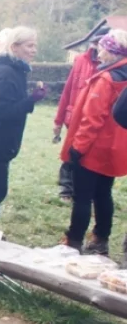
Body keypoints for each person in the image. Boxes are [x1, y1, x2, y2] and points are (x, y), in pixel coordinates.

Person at [60, 30, 127, 255]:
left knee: (82, 197)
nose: (99, 51)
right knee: (103, 194)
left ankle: (73, 240)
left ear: (112, 52)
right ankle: (101, 239)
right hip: (115, 148)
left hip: (93, 148)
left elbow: (91, 119)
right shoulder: (123, 76)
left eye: (103, 47)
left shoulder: (106, 79)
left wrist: (78, 148)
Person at [0, 26, 45, 222]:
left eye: (35, 45)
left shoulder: (14, 71)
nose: (33, 50)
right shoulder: (6, 73)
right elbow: (1, 111)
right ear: (14, 47)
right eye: (29, 45)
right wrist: (31, 100)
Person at [55, 32, 106, 200]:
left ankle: (84, 190)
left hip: (95, 117)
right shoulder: (80, 60)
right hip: (74, 116)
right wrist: (59, 120)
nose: (96, 46)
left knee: (89, 155)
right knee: (71, 152)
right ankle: (66, 188)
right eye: (95, 42)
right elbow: (68, 90)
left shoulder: (108, 67)